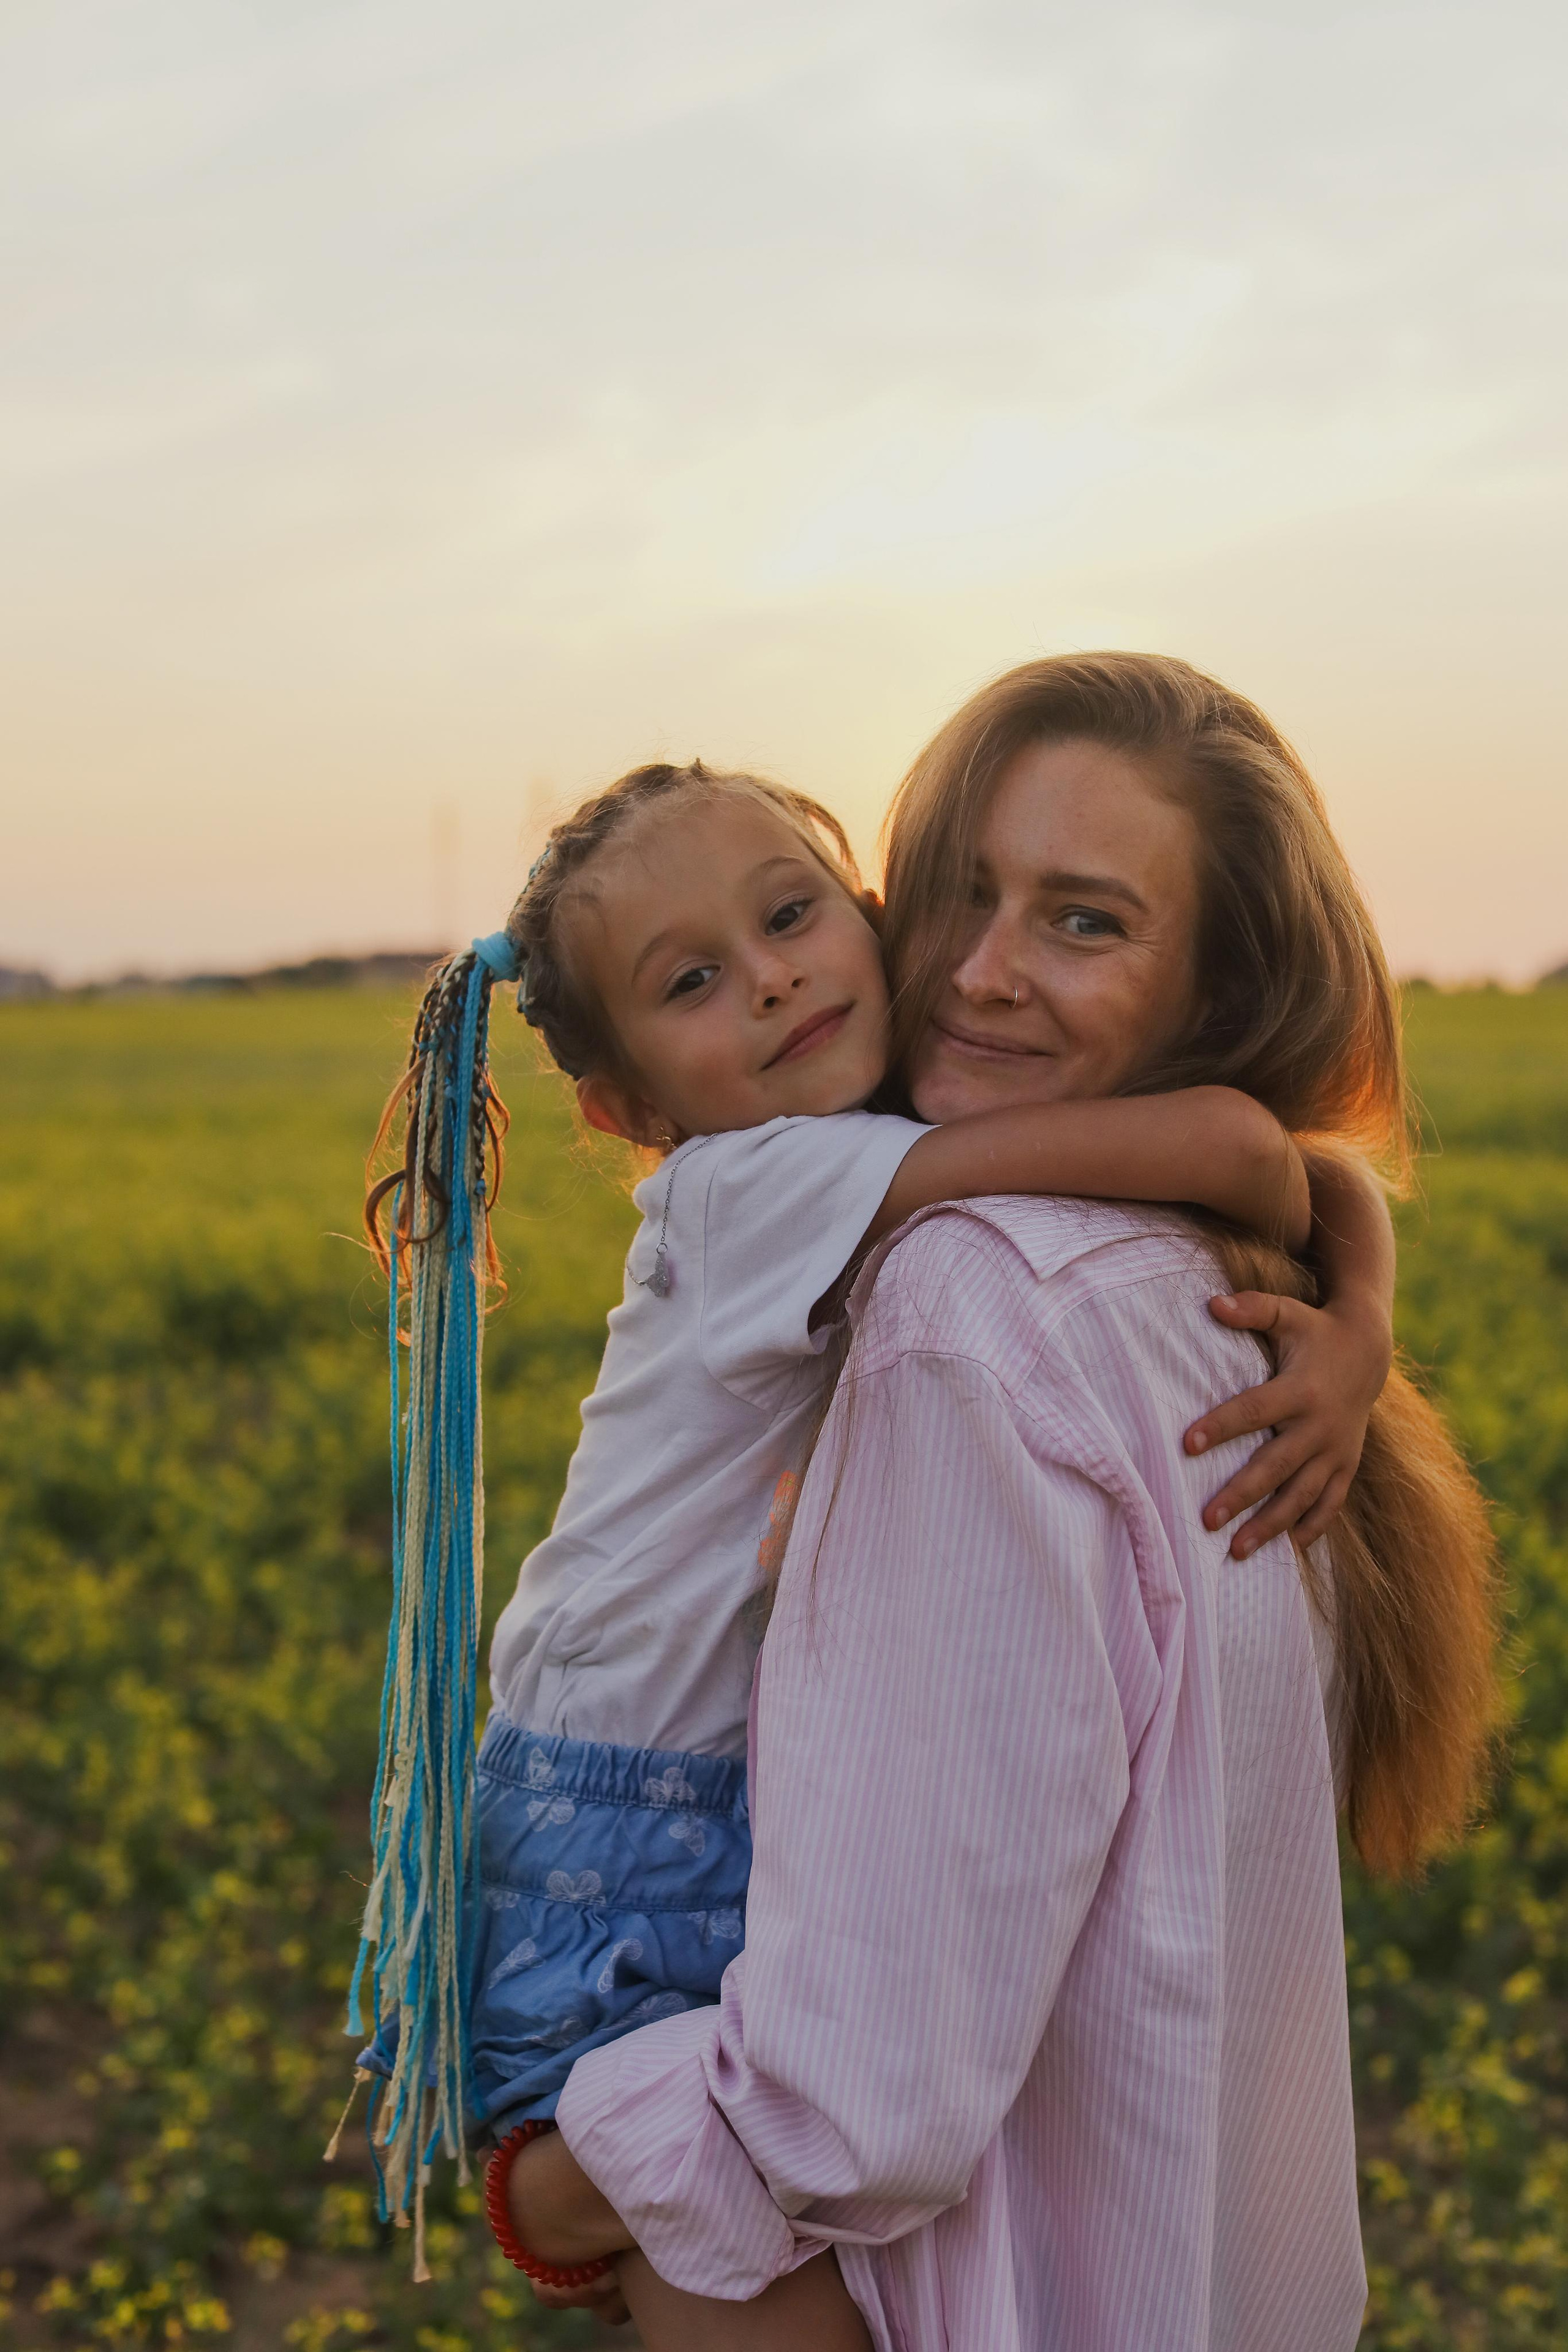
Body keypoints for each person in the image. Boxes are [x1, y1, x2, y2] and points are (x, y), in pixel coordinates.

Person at [499, 654, 1499, 2351]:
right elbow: (1269, 1155)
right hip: (632, 1823)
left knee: (720, 2237)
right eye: (961, 891)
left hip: (728, 1908)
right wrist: (1352, 1280)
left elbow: (849, 2112)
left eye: (1085, 923)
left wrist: (559, 2198)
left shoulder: (977, 1302)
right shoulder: (1160, 1284)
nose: (972, 971)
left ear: (1226, 984)